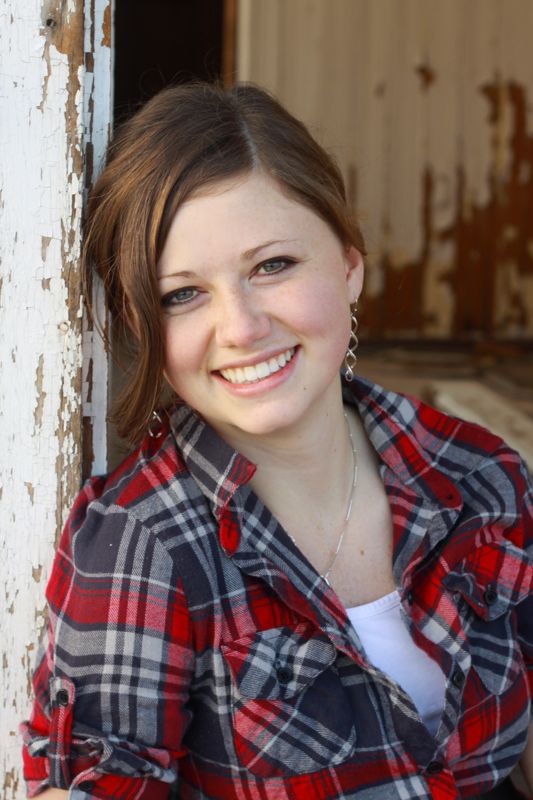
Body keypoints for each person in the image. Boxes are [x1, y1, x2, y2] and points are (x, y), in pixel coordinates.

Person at [21, 82, 532, 800]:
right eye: (183, 294)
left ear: (349, 265)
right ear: (144, 326)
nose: (242, 327)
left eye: (272, 266)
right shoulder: (143, 543)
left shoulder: (478, 473)